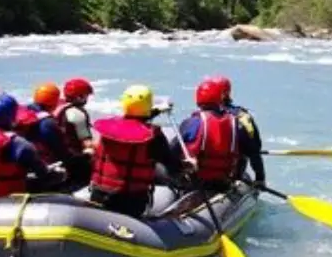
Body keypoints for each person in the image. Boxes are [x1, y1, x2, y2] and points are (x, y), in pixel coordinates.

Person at [89, 85, 188, 218]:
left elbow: (133, 121)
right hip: (130, 202)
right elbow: (171, 164)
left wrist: (157, 110)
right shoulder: (153, 136)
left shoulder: (110, 129)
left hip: (99, 195)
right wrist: (187, 167)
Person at [177, 75, 266, 196]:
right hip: (227, 177)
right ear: (226, 93)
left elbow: (173, 150)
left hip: (196, 178)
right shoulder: (240, 118)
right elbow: (254, 150)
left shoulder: (195, 121)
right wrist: (260, 178)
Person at [50, 77, 96, 187]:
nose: (87, 98)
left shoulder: (57, 107)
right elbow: (86, 143)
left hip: (57, 155)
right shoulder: (77, 114)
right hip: (73, 158)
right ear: (80, 96)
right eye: (86, 95)